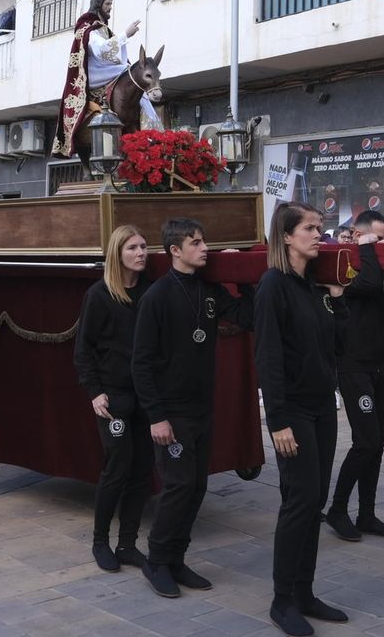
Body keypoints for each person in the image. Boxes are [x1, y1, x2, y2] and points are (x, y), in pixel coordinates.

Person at [131, 217, 252, 598]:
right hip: (171, 411)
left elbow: (246, 317)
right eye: (196, 243)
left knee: (197, 485)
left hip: (201, 408)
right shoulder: (157, 296)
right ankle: (156, 561)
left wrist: (245, 275)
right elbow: (141, 363)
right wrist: (157, 416)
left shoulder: (210, 289)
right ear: (175, 251)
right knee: (179, 485)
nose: (204, 249)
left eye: (204, 242)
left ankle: (176, 558)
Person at [255, 203, 350, 636]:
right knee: (299, 501)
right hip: (290, 411)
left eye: (320, 227)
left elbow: (338, 346)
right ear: (287, 236)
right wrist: (276, 421)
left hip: (320, 408)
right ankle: (282, 600)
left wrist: (338, 301)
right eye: (310, 228)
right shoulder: (274, 285)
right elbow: (268, 357)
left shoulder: (314, 286)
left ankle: (305, 592)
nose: (319, 235)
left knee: (315, 502)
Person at [325, 210, 384, 543]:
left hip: (380, 365)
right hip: (353, 365)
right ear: (359, 236)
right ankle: (337, 509)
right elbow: (369, 283)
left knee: (378, 443)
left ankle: (367, 513)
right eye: (379, 238)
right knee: (366, 442)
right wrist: (367, 250)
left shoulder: (382, 263)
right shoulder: (345, 264)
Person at [74, 225, 154, 573]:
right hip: (113, 398)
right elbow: (83, 349)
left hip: (146, 397)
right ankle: (100, 540)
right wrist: (94, 391)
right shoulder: (100, 295)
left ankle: (127, 544)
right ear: (117, 254)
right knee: (117, 467)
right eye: (133, 248)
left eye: (143, 247)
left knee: (141, 471)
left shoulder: (151, 294)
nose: (141, 253)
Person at [52, 0, 161, 159]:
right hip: (93, 73)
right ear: (98, 4)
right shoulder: (88, 27)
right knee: (130, 72)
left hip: (104, 70)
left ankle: (153, 129)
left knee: (133, 77)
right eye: (107, 4)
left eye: (111, 4)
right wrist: (126, 34)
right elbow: (101, 50)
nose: (110, 8)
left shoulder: (101, 27)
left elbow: (113, 53)